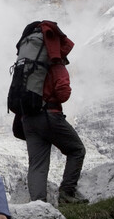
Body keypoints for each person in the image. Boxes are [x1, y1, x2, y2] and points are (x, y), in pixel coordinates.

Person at [16, 20, 87, 205]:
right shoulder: (55, 63)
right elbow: (63, 94)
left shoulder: (26, 64)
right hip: (49, 116)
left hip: (27, 118)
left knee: (37, 165)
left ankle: (39, 206)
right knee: (76, 149)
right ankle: (67, 193)